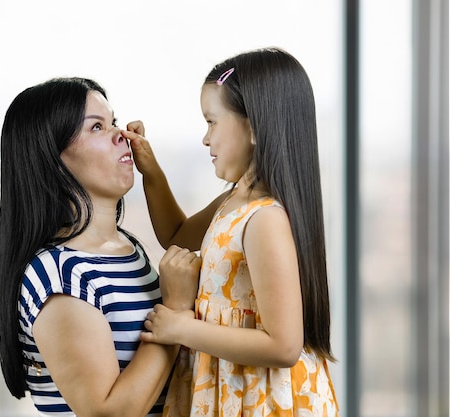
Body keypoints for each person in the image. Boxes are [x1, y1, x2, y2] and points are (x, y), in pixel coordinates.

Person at [124, 47, 339, 416]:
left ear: (253, 126)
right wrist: (151, 170)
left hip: (263, 401)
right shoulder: (234, 202)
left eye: (211, 122)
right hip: (234, 392)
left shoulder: (265, 219)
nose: (206, 139)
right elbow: (176, 233)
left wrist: (180, 328)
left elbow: (284, 347)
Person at [0, 77, 202, 417]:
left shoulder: (130, 248)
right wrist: (175, 309)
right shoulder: (58, 275)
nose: (122, 135)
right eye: (97, 127)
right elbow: (108, 413)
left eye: (113, 122)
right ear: (54, 159)